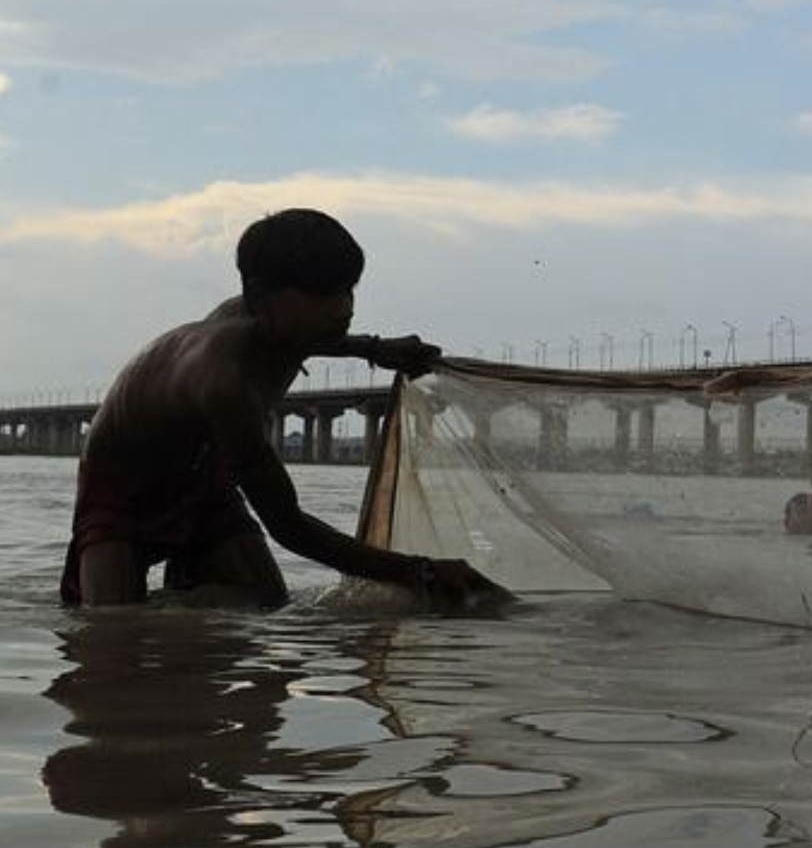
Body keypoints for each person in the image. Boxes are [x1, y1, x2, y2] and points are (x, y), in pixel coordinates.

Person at [62, 208, 507, 611]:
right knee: (111, 632)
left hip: (202, 478)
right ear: (259, 297)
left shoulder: (280, 324)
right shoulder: (223, 380)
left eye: (347, 290)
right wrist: (420, 572)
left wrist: (373, 349)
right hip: (123, 487)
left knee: (267, 601)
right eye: (322, 295)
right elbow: (287, 524)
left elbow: (312, 334)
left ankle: (184, 602)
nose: (344, 308)